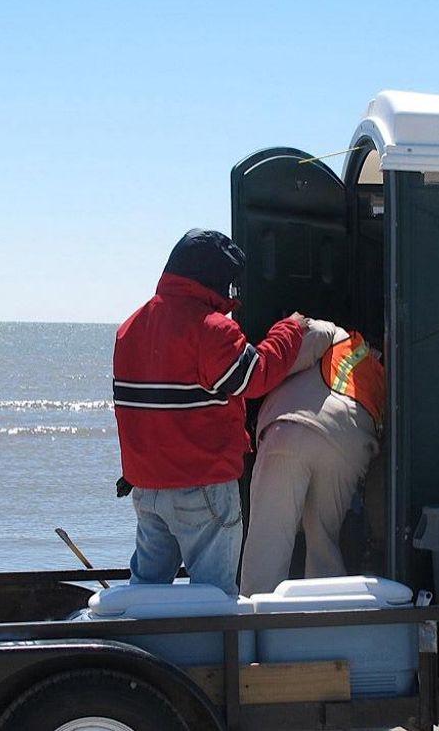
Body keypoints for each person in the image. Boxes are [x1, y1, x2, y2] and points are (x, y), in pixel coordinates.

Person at [113, 228, 306, 595]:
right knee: (213, 597)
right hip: (202, 487)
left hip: (148, 488)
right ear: (215, 279)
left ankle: (141, 650)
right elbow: (255, 376)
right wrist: (290, 330)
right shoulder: (212, 330)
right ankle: (211, 654)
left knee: (145, 593)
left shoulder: (130, 328)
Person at [239, 320, 385, 595]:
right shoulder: (382, 378)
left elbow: (268, 366)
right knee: (324, 541)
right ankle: (322, 624)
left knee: (268, 545)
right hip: (349, 447)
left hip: (290, 430)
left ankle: (253, 630)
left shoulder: (334, 333)